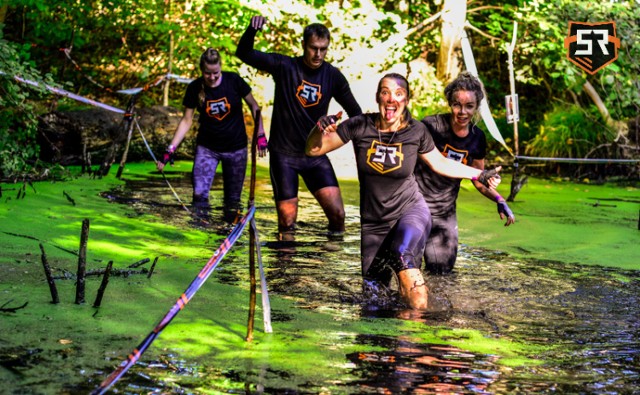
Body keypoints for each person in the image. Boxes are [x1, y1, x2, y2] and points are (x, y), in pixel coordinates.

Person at [305, 73, 501, 309]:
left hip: (410, 211)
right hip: (373, 222)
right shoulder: (358, 125)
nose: (391, 99)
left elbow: (440, 163)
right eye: (385, 92)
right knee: (374, 299)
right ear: (378, 97)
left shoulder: (416, 131)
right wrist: (318, 129)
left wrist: (478, 174)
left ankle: (418, 329)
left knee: (403, 254)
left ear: (406, 100)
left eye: (399, 94)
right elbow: (313, 150)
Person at [236, 15, 362, 239]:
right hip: (284, 155)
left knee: (338, 215)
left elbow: (356, 115)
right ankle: (286, 267)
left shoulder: (333, 76)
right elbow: (244, 53)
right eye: (314, 48)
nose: (318, 54)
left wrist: (341, 132)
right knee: (287, 222)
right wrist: (251, 30)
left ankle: (330, 255)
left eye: (324, 49)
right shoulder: (284, 66)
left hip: (315, 154)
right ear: (304, 44)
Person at [415, 71, 515, 275]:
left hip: (444, 213)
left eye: (469, 106)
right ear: (450, 103)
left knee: (442, 273)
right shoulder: (431, 126)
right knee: (408, 269)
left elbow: (478, 179)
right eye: (457, 105)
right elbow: (429, 162)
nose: (462, 112)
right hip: (415, 207)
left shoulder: (477, 138)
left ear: (476, 107)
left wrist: (498, 198)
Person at [157, 48, 267, 223]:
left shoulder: (234, 81)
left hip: (236, 149)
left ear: (220, 68)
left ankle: (227, 231)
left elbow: (254, 107)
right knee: (199, 195)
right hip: (207, 149)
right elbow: (186, 121)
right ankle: (201, 229)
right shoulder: (195, 88)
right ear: (202, 71)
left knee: (232, 200)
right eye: (208, 73)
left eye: (216, 73)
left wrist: (260, 134)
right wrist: (170, 149)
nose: (212, 77)